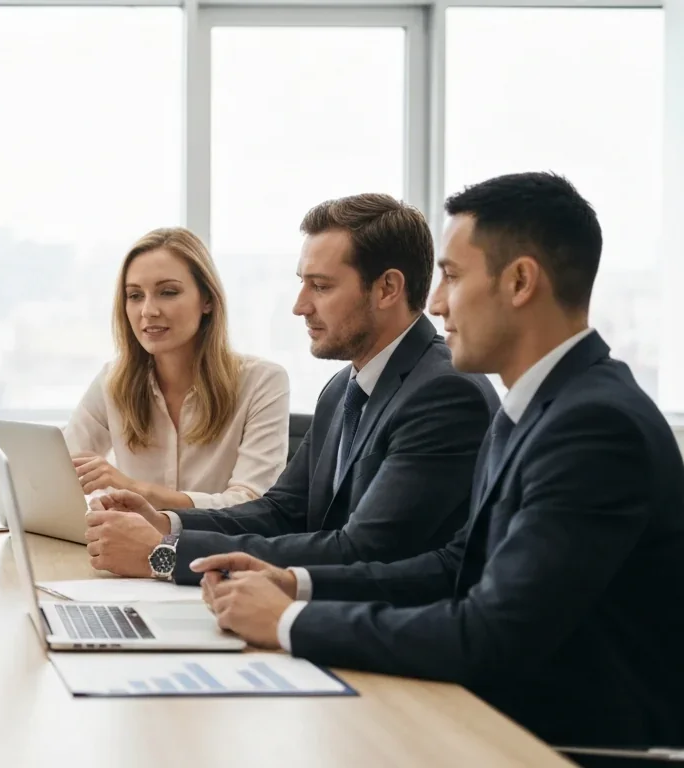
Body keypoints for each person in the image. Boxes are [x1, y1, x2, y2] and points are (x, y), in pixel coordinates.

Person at [198, 172, 684, 750]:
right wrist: (295, 584)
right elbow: (457, 565)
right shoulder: (534, 407)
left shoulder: (595, 426)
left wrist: (287, 622)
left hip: (571, 745)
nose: (434, 301)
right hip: (500, 718)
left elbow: (490, 633)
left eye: (452, 275)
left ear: (521, 281)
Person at [85, 195, 498, 582]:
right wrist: (165, 521)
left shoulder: (443, 393)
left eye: (320, 286)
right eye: (303, 283)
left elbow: (364, 550)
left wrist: (165, 553)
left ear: (388, 288)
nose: (300, 305)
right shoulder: (343, 389)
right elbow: (281, 511)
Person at [63, 227, 290, 511]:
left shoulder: (262, 382)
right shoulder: (113, 381)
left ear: (207, 299)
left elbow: (249, 504)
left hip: (216, 552)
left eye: (168, 292)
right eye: (135, 295)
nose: (148, 310)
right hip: (130, 549)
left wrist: (135, 490)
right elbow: (59, 475)